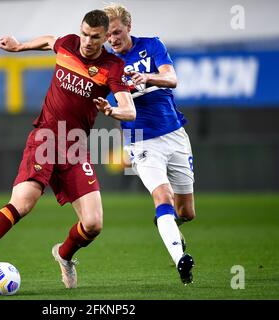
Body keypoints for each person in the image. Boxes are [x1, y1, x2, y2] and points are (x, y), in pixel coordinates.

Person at [0, 9, 135, 289]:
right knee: (23, 202)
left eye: (95, 37)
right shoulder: (69, 44)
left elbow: (130, 110)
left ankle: (64, 255)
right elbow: (49, 40)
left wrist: (112, 109)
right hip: (46, 137)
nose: (87, 41)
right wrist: (19, 47)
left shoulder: (112, 67)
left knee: (93, 224)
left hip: (76, 146)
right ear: (81, 30)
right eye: (85, 33)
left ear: (104, 38)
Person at [103, 4, 196, 284]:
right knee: (162, 196)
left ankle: (166, 222)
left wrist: (147, 78)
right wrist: (111, 110)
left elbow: (172, 79)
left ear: (129, 27)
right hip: (141, 140)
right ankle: (180, 260)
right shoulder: (107, 66)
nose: (113, 39)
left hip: (174, 134)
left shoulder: (152, 45)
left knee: (187, 213)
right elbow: (117, 106)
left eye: (117, 32)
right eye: (108, 35)